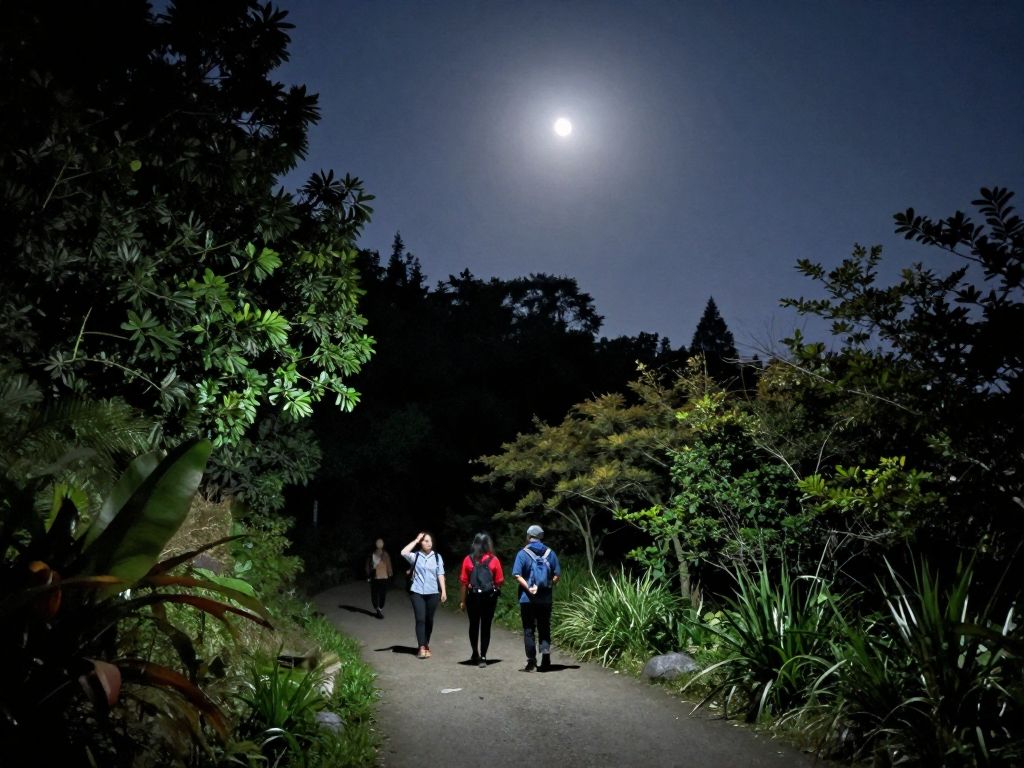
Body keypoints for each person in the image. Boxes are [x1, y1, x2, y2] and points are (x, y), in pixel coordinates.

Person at [511, 524, 561, 672]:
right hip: (545, 599)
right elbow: (557, 575)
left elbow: (516, 575)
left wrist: (529, 588)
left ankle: (531, 662)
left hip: (527, 599)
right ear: (541, 537)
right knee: (544, 627)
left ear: (528, 536)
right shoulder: (550, 553)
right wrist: (547, 584)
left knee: (528, 629)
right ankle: (546, 660)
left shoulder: (522, 554)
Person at [458, 532, 504, 668]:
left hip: (473, 597)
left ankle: (474, 652)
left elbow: (463, 582)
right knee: (486, 626)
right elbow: (500, 580)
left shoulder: (468, 559)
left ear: (475, 544)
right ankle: (483, 657)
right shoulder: (494, 560)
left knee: (473, 625)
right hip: (489, 598)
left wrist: (462, 601)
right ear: (488, 544)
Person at [401, 531, 447, 659]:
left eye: (430, 541)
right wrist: (416, 540)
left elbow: (440, 574)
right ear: (421, 543)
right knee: (420, 619)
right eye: (426, 541)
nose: (429, 543)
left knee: (429, 620)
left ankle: (426, 643)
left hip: (433, 593)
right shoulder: (415, 556)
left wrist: (443, 591)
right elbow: (403, 552)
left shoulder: (437, 557)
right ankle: (422, 647)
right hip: (417, 592)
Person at [365, 537, 393, 618]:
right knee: (381, 594)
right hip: (382, 577)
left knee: (375, 594)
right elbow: (389, 565)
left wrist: (368, 575)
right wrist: (390, 572)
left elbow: (367, 566)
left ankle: (377, 608)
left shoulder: (373, 554)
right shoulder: (384, 554)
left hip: (376, 577)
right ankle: (379, 608)